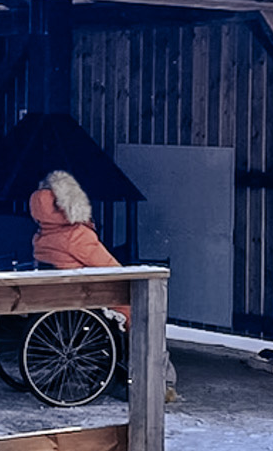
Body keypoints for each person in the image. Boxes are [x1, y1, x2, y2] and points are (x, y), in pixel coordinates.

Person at [28, 170, 177, 401]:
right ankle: (159, 380)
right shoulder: (76, 236)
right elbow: (111, 267)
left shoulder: (41, 237)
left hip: (65, 297)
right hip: (93, 298)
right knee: (144, 315)